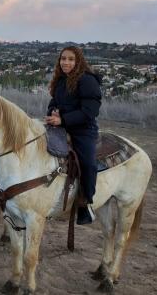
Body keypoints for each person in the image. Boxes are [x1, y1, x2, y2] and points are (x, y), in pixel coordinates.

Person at [44, 46, 102, 225]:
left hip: (83, 130)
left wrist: (63, 120)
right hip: (61, 127)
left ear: (78, 61)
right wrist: (52, 113)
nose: (66, 62)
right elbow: (53, 102)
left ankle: (85, 203)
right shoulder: (61, 80)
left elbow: (90, 112)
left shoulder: (87, 80)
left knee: (88, 163)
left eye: (70, 59)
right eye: (63, 59)